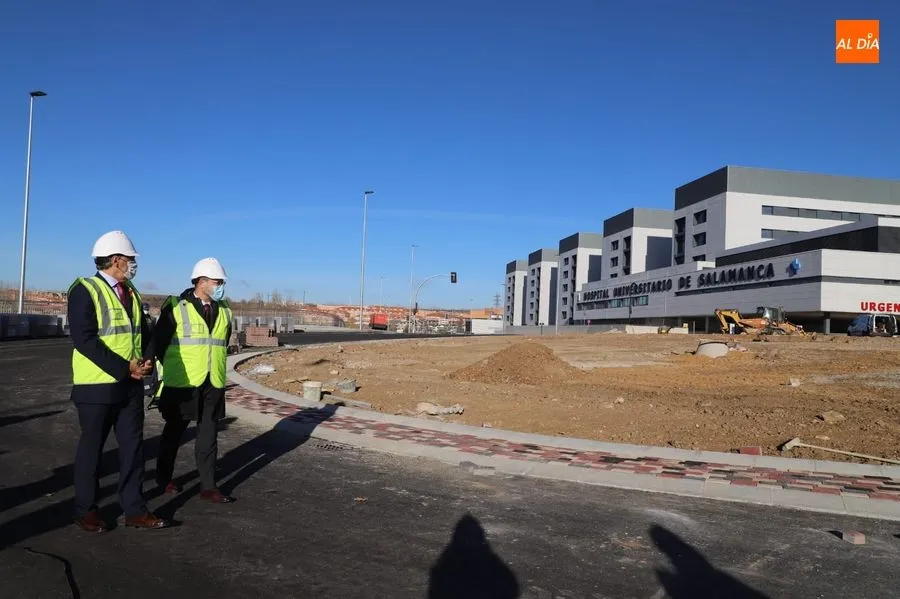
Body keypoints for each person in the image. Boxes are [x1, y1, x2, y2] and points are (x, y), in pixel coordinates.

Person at [67, 230, 170, 532]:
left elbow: (143, 332)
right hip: (96, 387)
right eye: (130, 259)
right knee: (92, 452)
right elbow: (84, 340)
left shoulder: (131, 293)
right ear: (115, 260)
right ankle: (86, 510)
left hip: (130, 387)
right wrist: (125, 368)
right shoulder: (85, 290)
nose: (133, 265)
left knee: (133, 450)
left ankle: (135, 509)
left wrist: (147, 359)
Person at [153, 257, 234, 503]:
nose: (221, 286)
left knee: (209, 434)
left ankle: (208, 486)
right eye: (217, 282)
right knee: (174, 432)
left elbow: (222, 342)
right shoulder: (176, 306)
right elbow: (159, 343)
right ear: (202, 281)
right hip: (183, 382)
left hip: (213, 380)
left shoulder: (225, 309)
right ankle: (163, 478)